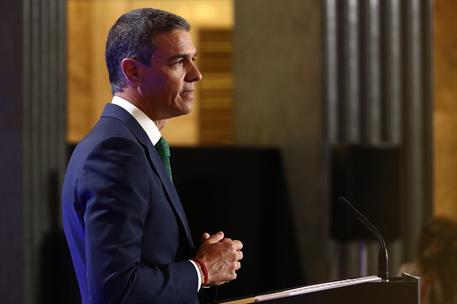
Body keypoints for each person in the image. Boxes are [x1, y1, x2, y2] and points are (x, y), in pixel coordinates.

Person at [62, 8, 243, 304]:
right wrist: (201, 270)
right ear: (132, 70)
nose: (196, 74)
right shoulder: (115, 153)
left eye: (193, 59)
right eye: (178, 62)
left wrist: (197, 266)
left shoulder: (131, 143)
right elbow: (115, 289)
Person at [399, 217, 457, 304]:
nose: (434, 244)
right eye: (431, 239)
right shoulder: (408, 272)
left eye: (441, 240)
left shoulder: (452, 278)